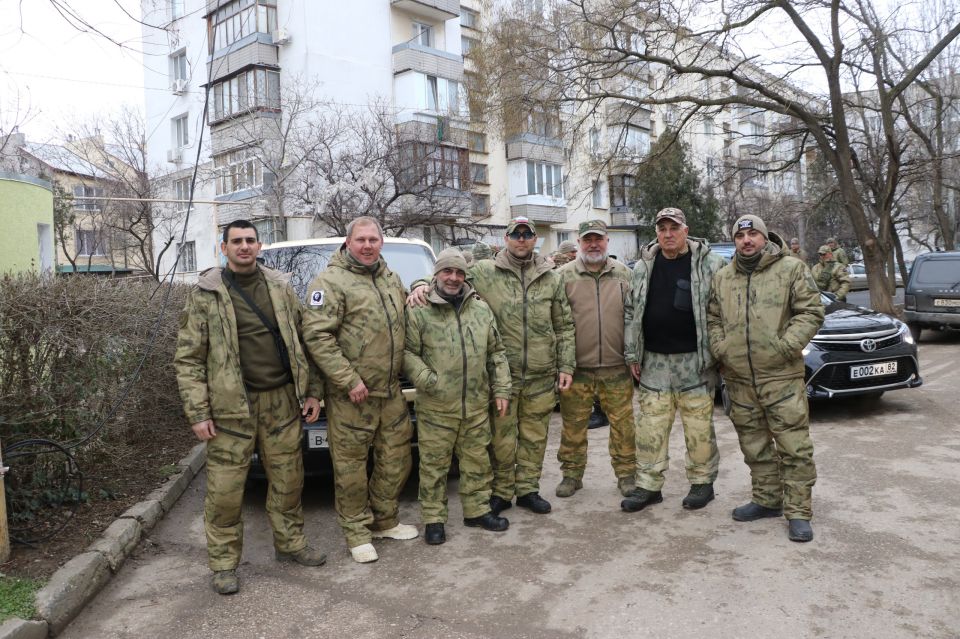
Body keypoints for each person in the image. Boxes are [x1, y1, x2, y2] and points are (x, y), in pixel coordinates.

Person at [174, 219, 326, 595]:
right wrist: (198, 412)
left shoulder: (280, 286)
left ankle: (290, 545)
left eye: (250, 241)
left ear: (260, 246)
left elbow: (305, 341)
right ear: (223, 248)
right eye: (236, 241)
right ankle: (224, 565)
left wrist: (313, 391)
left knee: (289, 481)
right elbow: (189, 358)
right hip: (230, 410)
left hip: (280, 403)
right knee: (225, 492)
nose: (244, 247)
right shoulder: (205, 293)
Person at [408, 216, 576, 516]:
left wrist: (566, 366)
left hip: (541, 373)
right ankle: (501, 492)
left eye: (527, 234)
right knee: (501, 440)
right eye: (516, 234)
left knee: (535, 439)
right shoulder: (485, 271)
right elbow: (449, 276)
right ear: (507, 239)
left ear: (534, 239)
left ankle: (527, 489)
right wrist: (420, 283)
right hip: (502, 376)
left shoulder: (551, 277)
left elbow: (564, 325)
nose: (522, 239)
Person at [302, 216, 418, 563]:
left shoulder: (390, 278)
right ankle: (356, 531)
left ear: (381, 242)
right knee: (351, 468)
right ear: (348, 243)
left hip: (391, 392)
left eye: (373, 239)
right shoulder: (331, 281)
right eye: (361, 240)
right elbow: (317, 336)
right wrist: (348, 379)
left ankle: (384, 521)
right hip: (353, 395)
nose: (368, 245)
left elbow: (405, 319)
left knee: (397, 459)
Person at [707, 215, 824, 542]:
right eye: (740, 235)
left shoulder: (790, 269)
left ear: (764, 236)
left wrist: (787, 346)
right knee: (754, 445)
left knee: (793, 446)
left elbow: (811, 312)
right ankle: (767, 499)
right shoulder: (723, 277)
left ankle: (799, 512)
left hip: (781, 377)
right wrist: (721, 347)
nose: (746, 240)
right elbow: (713, 317)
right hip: (740, 378)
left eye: (752, 234)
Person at [621, 208, 726, 513]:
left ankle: (702, 484)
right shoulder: (643, 267)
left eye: (673, 228)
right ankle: (648, 486)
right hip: (654, 361)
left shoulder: (710, 264)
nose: (667, 234)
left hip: (694, 361)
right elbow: (631, 312)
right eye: (662, 228)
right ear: (656, 232)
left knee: (698, 427)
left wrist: (718, 353)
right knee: (650, 428)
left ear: (685, 230)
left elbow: (723, 311)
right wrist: (633, 352)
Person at [404, 249, 512, 544]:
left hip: (476, 404)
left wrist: (501, 388)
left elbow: (496, 352)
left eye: (459, 272)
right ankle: (434, 519)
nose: (453, 278)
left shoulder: (480, 309)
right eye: (447, 272)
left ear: (466, 276)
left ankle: (477, 511)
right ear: (436, 274)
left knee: (477, 461)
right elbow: (407, 353)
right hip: (437, 405)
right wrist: (428, 379)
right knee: (434, 466)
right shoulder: (419, 309)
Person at [555, 220, 636, 499]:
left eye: (598, 239)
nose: (593, 244)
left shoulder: (624, 274)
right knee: (573, 426)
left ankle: (626, 474)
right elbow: (558, 321)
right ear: (579, 242)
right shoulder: (564, 276)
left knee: (623, 426)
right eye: (587, 239)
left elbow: (635, 318)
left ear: (607, 241)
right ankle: (572, 475)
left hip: (616, 367)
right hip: (577, 369)